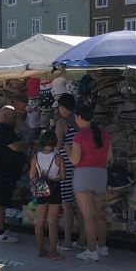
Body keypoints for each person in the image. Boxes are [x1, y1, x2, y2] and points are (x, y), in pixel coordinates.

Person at [69, 103, 113, 261]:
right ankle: (102, 247)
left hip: (84, 175)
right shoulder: (105, 134)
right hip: (101, 174)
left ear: (79, 117)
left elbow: (75, 160)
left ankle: (91, 250)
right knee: (98, 214)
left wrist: (68, 151)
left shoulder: (79, 136)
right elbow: (110, 157)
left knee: (88, 216)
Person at [0, 105, 27, 243]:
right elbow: (16, 146)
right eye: (13, 117)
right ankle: (0, 232)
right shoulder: (2, 130)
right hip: (2, 172)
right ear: (5, 116)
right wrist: (28, 144)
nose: (15, 120)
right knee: (0, 202)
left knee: (2, 202)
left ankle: (3, 228)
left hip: (3, 171)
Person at [30, 129, 65, 260]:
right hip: (55, 190)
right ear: (55, 142)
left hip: (41, 189)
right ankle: (53, 252)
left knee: (39, 221)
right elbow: (63, 176)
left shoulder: (36, 157)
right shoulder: (58, 157)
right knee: (52, 222)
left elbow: (32, 176)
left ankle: (40, 249)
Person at [55, 93, 79, 251]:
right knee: (81, 205)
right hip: (79, 165)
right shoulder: (78, 121)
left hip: (66, 165)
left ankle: (67, 240)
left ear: (63, 107)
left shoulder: (61, 123)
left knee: (67, 204)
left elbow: (57, 146)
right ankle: (83, 239)